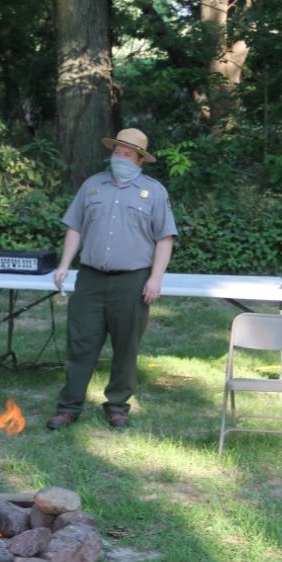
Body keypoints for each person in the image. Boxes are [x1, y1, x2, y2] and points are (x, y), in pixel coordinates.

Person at [47, 128, 178, 429]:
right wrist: (64, 264)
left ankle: (118, 406)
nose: (120, 157)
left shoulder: (154, 191)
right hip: (90, 278)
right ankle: (69, 407)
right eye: (117, 152)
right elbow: (75, 228)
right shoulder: (92, 186)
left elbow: (165, 238)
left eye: (127, 154)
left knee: (126, 345)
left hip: (132, 281)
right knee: (80, 343)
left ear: (139, 160)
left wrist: (155, 278)